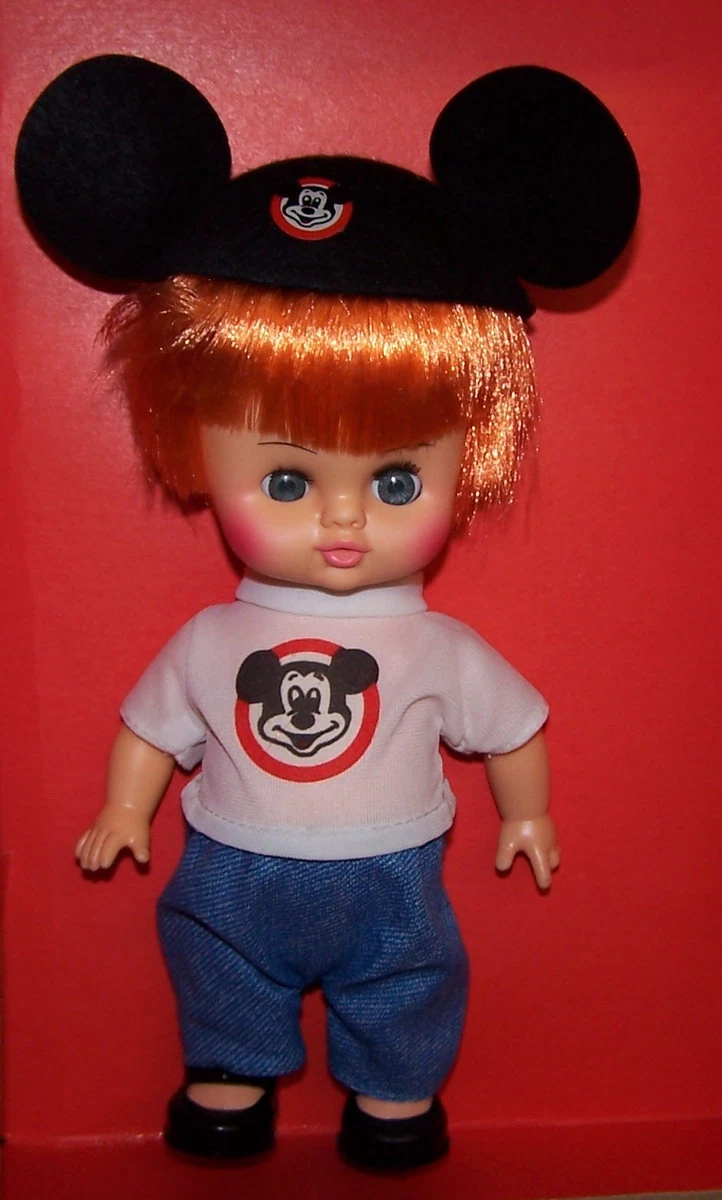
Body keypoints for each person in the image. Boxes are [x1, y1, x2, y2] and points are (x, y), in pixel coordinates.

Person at [15, 54, 638, 1169]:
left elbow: (510, 728)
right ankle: (226, 1081)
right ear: (195, 454)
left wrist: (527, 814)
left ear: (465, 462)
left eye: (396, 481)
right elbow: (153, 725)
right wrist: (125, 805)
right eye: (287, 480)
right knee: (217, 967)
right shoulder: (212, 640)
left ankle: (395, 1098)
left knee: (407, 978)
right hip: (231, 866)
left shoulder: (436, 646)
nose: (342, 517)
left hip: (391, 874)